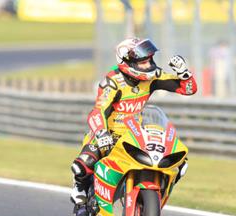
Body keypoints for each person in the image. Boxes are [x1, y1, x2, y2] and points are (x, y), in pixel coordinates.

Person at [70, 37, 197, 204]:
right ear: (127, 62)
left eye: (149, 60)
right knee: (82, 165)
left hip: (135, 134)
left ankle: (157, 192)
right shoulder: (112, 81)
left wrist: (184, 73)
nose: (149, 65)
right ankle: (79, 186)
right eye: (143, 62)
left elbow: (188, 90)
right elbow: (97, 111)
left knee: (179, 162)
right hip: (109, 134)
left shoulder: (152, 76)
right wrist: (101, 133)